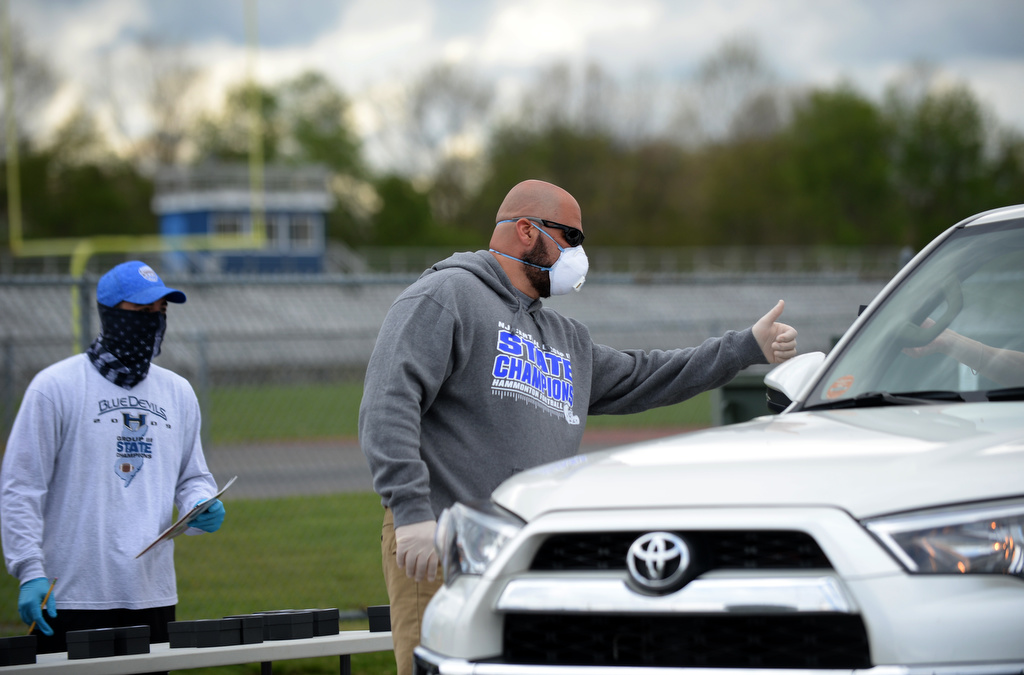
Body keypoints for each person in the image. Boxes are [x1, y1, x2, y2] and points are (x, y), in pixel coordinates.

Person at [358, 179, 799, 675]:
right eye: (572, 237)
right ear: (526, 230)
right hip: (447, 542)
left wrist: (744, 348)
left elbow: (645, 373)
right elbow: (387, 403)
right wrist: (412, 510)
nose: (578, 253)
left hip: (535, 551)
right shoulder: (447, 295)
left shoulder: (565, 337)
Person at [1, 260, 226, 657]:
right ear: (109, 313)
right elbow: (21, 487)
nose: (152, 323)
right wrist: (29, 570)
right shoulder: (55, 388)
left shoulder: (178, 392)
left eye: (161, 313)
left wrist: (199, 504)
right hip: (68, 596)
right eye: (141, 313)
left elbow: (192, 476)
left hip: (151, 594)